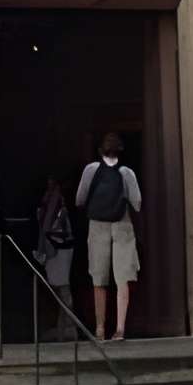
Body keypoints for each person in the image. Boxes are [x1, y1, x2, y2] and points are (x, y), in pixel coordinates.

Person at [75, 132, 142, 342]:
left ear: (99, 150)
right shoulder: (126, 172)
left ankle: (100, 328)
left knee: (98, 278)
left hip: (97, 225)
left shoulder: (91, 169)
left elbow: (79, 199)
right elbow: (137, 202)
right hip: (122, 224)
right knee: (123, 278)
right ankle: (120, 328)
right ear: (120, 151)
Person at [35, 174, 76, 339]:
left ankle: (69, 327)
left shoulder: (57, 199)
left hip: (58, 247)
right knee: (60, 290)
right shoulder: (50, 199)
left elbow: (49, 227)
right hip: (56, 247)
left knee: (63, 289)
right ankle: (63, 328)